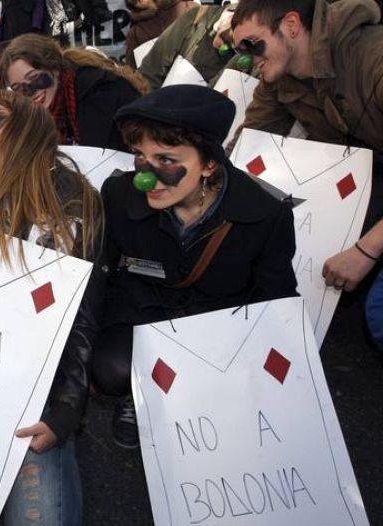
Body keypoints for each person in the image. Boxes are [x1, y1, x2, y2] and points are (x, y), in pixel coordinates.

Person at [94, 84, 298, 448]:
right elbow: (100, 274)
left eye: (167, 160)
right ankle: (138, 396)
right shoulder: (118, 196)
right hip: (144, 309)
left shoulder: (266, 213)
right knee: (112, 369)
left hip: (215, 321)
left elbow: (276, 297)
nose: (146, 176)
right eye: (140, 156)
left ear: (208, 164)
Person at [0, 90, 103, 525]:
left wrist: (64, 413)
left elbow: (80, 317)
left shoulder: (69, 200)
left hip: (36, 382)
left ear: (27, 130)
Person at [229, 0, 383, 292]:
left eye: (253, 45)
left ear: (291, 26)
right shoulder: (279, 77)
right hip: (365, 181)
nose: (246, 61)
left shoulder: (373, 59)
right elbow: (248, 142)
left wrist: (367, 250)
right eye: (240, 51)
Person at [0, 33, 143, 151]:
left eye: (34, 77)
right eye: (19, 88)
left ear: (53, 67)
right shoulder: (45, 113)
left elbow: (100, 157)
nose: (30, 92)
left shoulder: (98, 93)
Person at [137, 3, 242, 89]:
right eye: (228, 40)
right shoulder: (198, 17)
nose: (223, 47)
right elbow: (149, 72)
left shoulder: (251, 56)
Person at [124, 0, 196, 69]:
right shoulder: (135, 33)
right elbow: (131, 72)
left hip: (197, 72)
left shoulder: (189, 7)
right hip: (161, 79)